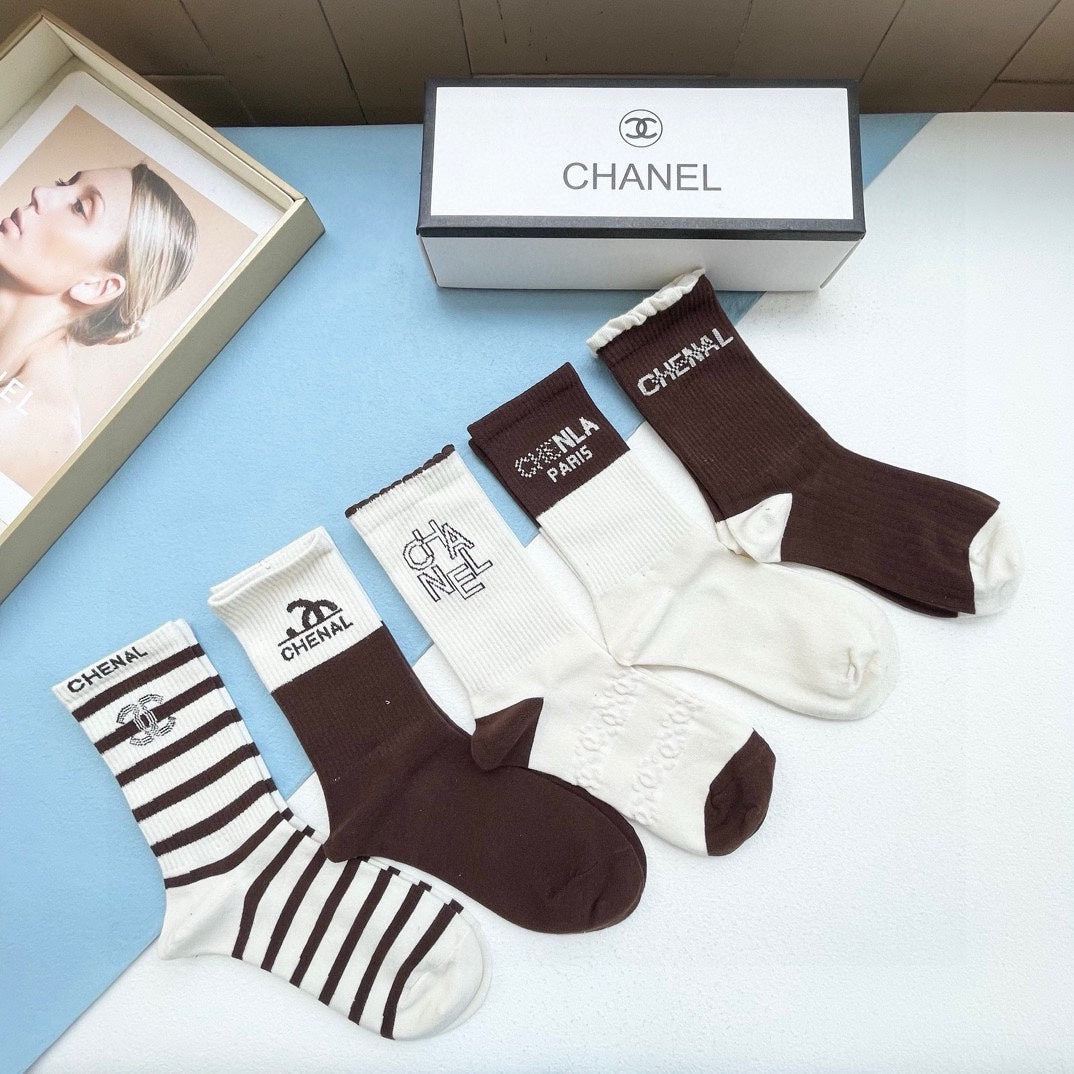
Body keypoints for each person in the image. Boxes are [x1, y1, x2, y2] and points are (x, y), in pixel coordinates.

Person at [0, 163, 197, 498]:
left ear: (97, 286)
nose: (41, 193)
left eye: (80, 207)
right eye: (62, 182)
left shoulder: (24, 423)